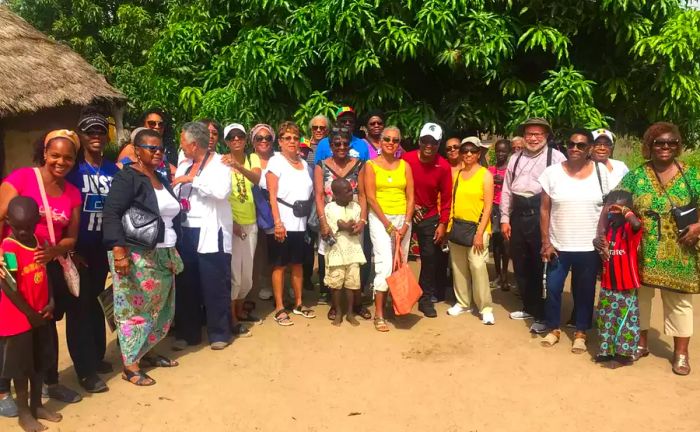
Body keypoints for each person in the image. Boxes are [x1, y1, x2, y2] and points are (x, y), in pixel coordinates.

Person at [606, 122, 699, 375]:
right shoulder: (637, 175)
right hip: (642, 249)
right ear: (650, 145)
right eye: (659, 142)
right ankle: (641, 343)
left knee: (679, 303)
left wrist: (698, 227)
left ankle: (681, 353)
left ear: (678, 145)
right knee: (640, 299)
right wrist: (625, 213)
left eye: (671, 143)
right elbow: (614, 201)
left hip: (680, 250)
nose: (665, 147)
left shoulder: (693, 175)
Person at [0, 130, 83, 403]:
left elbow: (71, 237)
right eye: (55, 155)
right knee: (11, 329)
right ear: (44, 152)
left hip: (46, 269)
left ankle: (50, 382)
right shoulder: (22, 178)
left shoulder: (71, 193)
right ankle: (3, 394)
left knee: (46, 326)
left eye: (68, 158)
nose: (61, 162)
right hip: (12, 266)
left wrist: (56, 250)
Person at [103, 128, 183, 385]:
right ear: (136, 150)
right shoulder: (129, 177)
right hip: (136, 254)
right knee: (134, 308)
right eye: (152, 148)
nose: (158, 152)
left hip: (164, 252)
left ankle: (146, 352)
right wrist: (119, 253)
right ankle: (130, 364)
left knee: (159, 308)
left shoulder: (160, 177)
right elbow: (112, 213)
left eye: (161, 148)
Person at [538, 129, 610, 352]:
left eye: (581, 145)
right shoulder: (552, 173)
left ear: (589, 148)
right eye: (571, 144)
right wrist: (546, 242)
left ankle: (581, 331)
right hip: (559, 245)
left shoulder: (602, 173)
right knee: (553, 287)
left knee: (585, 290)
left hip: (589, 246)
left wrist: (604, 238)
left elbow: (608, 207)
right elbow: (544, 209)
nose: (575, 149)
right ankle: (553, 328)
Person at [64, 110, 119, 393]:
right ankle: (84, 370)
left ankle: (96, 357)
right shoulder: (72, 171)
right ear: (81, 137)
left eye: (100, 132)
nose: (96, 137)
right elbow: (61, 210)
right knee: (79, 309)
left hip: (106, 248)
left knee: (99, 302)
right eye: (90, 132)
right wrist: (70, 251)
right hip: (80, 249)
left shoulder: (113, 170)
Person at [0, 196, 62, 432]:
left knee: (39, 364)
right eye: (18, 227)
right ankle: (24, 413)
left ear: (38, 220)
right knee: (22, 369)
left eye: (29, 226)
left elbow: (46, 274)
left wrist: (51, 301)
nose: (24, 232)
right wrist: (29, 314)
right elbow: (9, 287)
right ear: (8, 222)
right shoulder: (9, 248)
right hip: (18, 319)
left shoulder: (40, 241)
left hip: (40, 315)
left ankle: (37, 405)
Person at [500, 118, 566, 334]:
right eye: (529, 134)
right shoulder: (515, 158)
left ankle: (542, 314)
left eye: (538, 134)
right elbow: (507, 190)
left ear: (546, 136)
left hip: (542, 215)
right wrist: (505, 218)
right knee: (521, 263)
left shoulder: (556, 158)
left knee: (541, 267)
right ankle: (529, 306)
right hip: (519, 214)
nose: (533, 138)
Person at [172, 122, 234, 348]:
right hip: (186, 229)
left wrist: (193, 180)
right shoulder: (184, 163)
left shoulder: (220, 163)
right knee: (187, 283)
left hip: (211, 230)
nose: (181, 146)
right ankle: (189, 333)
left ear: (194, 144)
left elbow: (221, 192)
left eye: (183, 143)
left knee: (214, 282)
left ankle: (219, 333)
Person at [314, 127, 370, 320]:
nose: (341, 147)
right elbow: (319, 196)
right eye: (337, 143)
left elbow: (363, 194)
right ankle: (334, 304)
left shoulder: (359, 164)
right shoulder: (321, 165)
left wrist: (363, 220)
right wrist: (323, 222)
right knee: (332, 261)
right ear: (330, 146)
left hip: (354, 217)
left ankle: (357, 303)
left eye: (345, 143)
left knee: (354, 259)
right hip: (330, 217)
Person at [266, 121, 316, 326]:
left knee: (297, 264)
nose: (292, 142)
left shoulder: (304, 164)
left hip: (301, 222)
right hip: (283, 221)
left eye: (295, 138)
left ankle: (298, 302)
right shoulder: (275, 162)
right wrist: (277, 222)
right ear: (280, 141)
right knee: (279, 265)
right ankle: (279, 307)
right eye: (288, 138)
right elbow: (272, 194)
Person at [365, 126, 414, 332]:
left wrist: (406, 223)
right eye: (387, 139)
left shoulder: (405, 165)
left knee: (399, 262)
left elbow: (411, 197)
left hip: (402, 218)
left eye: (395, 140)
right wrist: (388, 224)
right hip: (380, 218)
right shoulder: (371, 165)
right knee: (384, 263)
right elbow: (370, 197)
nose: (390, 143)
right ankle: (379, 314)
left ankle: (396, 305)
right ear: (381, 141)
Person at [402, 123, 452, 317]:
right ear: (420, 141)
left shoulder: (443, 166)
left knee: (430, 257)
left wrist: (443, 223)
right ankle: (399, 295)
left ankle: (425, 299)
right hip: (407, 212)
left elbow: (447, 198)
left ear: (438, 143)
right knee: (400, 254)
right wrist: (411, 205)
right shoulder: (406, 159)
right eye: (425, 141)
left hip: (429, 216)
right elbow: (399, 186)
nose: (428, 145)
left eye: (433, 142)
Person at [446, 139, 495, 324]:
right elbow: (453, 201)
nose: (467, 154)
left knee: (477, 266)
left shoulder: (485, 175)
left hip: (477, 228)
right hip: (458, 226)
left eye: (472, 151)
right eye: (464, 151)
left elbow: (489, 207)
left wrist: (479, 233)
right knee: (458, 267)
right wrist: (449, 226)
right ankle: (463, 302)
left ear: (478, 154)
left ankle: (485, 307)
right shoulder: (458, 174)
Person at [221, 123, 263, 336]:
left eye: (240, 136)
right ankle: (233, 318)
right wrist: (232, 223)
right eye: (231, 137)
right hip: (232, 223)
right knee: (235, 274)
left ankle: (240, 310)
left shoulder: (252, 158)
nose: (236, 140)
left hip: (251, 220)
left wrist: (237, 166)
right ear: (226, 141)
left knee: (247, 275)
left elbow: (256, 179)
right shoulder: (221, 162)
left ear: (245, 139)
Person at [593, 191, 642, 368]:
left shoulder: (630, 229)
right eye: (611, 209)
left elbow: (636, 224)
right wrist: (596, 242)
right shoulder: (609, 229)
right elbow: (600, 244)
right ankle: (606, 351)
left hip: (625, 285)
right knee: (606, 318)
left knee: (625, 321)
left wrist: (625, 211)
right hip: (608, 283)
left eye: (618, 208)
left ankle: (623, 356)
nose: (614, 212)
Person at [324, 178, 367, 326]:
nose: (351, 192)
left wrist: (344, 225)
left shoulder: (355, 207)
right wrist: (343, 225)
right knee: (336, 284)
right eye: (347, 191)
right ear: (335, 194)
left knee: (352, 284)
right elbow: (334, 225)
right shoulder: (329, 208)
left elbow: (352, 225)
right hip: (336, 251)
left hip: (353, 251)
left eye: (351, 189)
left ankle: (349, 313)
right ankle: (338, 311)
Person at [251, 124, 276, 302]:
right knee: (260, 248)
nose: (264, 141)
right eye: (259, 138)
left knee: (277, 247)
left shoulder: (279, 158)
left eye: (267, 138)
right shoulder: (248, 159)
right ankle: (264, 283)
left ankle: (281, 285)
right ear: (253, 142)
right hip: (254, 206)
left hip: (276, 206)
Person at [118, 109, 176, 177]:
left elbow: (171, 170)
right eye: (152, 123)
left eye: (161, 124)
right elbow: (121, 170)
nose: (157, 127)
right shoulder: (131, 148)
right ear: (143, 124)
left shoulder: (166, 148)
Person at [489, 139, 512, 291]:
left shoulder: (511, 170)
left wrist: (503, 181)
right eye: (498, 151)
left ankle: (505, 275)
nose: (501, 154)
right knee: (496, 244)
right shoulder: (490, 170)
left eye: (504, 151)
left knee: (506, 244)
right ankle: (497, 274)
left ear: (509, 152)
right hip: (493, 208)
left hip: (507, 209)